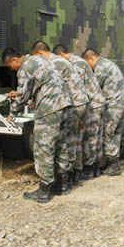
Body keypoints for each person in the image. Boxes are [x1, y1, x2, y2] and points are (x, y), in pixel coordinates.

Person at [3, 47, 71, 203]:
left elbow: (22, 96)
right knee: (61, 144)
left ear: (14, 60)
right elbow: (44, 83)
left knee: (43, 147)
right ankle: (62, 184)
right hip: (64, 104)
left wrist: (12, 113)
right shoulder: (39, 60)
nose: (11, 69)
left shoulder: (25, 68)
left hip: (49, 108)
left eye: (9, 66)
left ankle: (44, 189)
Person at [31, 41, 89, 191]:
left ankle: (66, 180)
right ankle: (73, 176)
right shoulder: (60, 61)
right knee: (75, 141)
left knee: (66, 143)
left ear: (40, 53)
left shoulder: (53, 63)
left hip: (72, 104)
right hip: (80, 102)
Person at [54, 44, 106, 180]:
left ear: (60, 55)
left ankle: (88, 169)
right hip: (96, 102)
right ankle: (95, 168)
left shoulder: (75, 64)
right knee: (96, 137)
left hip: (91, 104)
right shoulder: (79, 61)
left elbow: (74, 88)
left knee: (88, 139)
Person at [82, 49, 124, 175]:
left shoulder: (100, 67)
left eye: (87, 64)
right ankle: (113, 162)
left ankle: (113, 164)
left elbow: (93, 88)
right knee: (115, 134)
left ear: (91, 59)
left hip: (114, 105)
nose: (88, 67)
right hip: (122, 103)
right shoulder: (107, 63)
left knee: (107, 133)